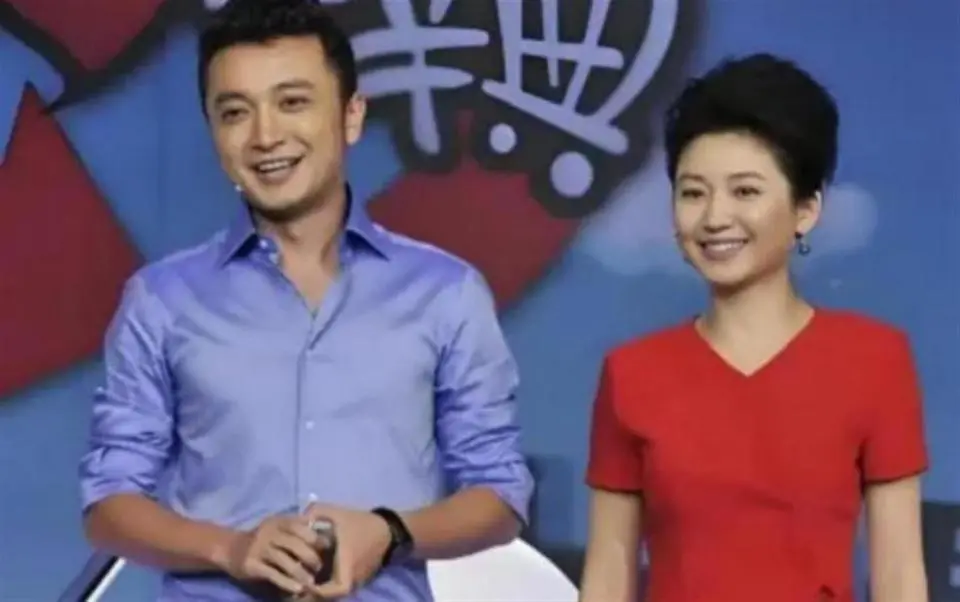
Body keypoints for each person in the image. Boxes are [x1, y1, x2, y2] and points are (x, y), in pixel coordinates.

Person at [79, 1, 533, 600]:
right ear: (213, 131)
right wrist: (232, 548)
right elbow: (109, 504)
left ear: (351, 115)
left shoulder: (444, 293)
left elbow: (500, 495)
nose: (265, 136)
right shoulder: (162, 301)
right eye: (235, 112)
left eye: (292, 102)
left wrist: (390, 533)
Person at [578, 53, 929, 602]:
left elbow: (901, 575)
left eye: (745, 191)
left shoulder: (875, 360)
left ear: (806, 209)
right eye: (693, 192)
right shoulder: (632, 374)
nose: (715, 217)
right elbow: (607, 576)